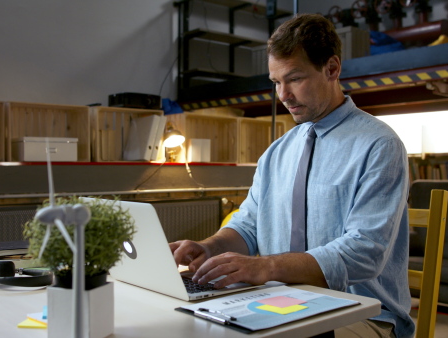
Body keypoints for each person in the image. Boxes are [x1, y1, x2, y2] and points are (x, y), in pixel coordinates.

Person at [170, 13, 414, 338]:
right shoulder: (276, 152)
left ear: (332, 69)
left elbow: (364, 251)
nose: (283, 95)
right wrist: (209, 247)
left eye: (294, 79)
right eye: (276, 82)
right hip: (279, 302)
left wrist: (266, 266)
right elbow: (249, 225)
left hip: (362, 314)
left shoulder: (379, 145)